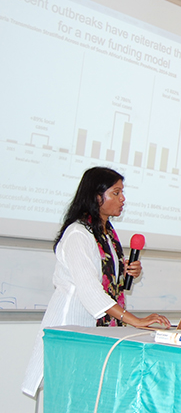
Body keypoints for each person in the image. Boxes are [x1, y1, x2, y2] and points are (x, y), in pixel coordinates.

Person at [22, 167, 171, 398]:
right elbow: (91, 291)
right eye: (116, 193)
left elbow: (107, 281)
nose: (123, 199)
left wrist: (128, 271)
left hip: (95, 331)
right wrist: (135, 321)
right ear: (96, 196)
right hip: (72, 328)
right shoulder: (78, 234)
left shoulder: (107, 234)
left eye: (122, 192)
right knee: (71, 398)